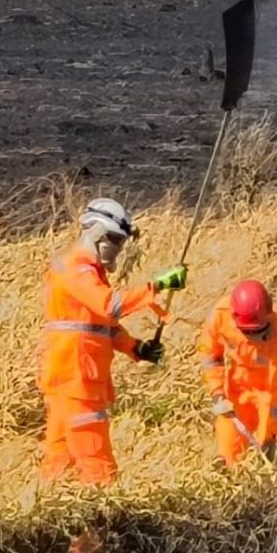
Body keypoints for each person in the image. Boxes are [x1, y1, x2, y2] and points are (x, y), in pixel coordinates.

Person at [37, 197, 187, 485]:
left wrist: (136, 348)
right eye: (115, 239)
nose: (118, 247)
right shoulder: (78, 269)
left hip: (69, 379)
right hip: (79, 381)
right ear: (96, 233)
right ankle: (99, 527)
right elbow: (110, 306)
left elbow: (101, 325)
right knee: (98, 468)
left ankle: (49, 525)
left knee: (59, 465)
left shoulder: (86, 271)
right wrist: (158, 285)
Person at [197, 279, 277, 466]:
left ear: (269, 316)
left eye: (257, 332)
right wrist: (218, 393)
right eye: (246, 332)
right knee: (229, 454)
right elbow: (209, 356)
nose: (252, 338)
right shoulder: (221, 315)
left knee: (276, 458)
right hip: (237, 390)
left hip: (271, 393)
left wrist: (271, 436)